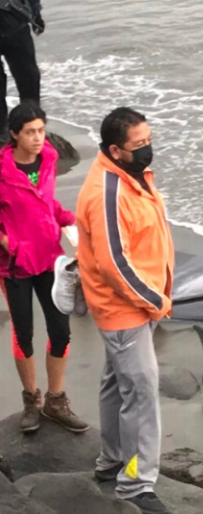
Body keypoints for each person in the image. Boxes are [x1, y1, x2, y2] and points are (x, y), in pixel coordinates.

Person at [74, 107, 174, 514]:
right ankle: (134, 482)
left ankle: (111, 460)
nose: (148, 149)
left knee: (118, 383)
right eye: (139, 145)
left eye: (149, 140)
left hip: (133, 305)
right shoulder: (107, 193)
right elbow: (114, 264)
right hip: (126, 308)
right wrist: (155, 300)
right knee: (142, 394)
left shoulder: (132, 175)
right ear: (115, 150)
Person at [0, 101, 88, 434]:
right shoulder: (2, 171)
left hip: (51, 259)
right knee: (23, 335)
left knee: (61, 332)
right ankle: (30, 400)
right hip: (15, 267)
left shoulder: (49, 159)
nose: (38, 138)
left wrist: (67, 219)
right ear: (14, 135)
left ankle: (55, 399)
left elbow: (44, 200)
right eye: (29, 132)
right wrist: (8, 242)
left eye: (41, 130)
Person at [0, 0, 44, 140]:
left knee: (29, 78)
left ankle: (32, 121)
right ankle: (2, 130)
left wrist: (36, 15)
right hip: (15, 23)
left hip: (16, 26)